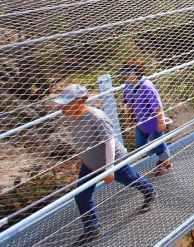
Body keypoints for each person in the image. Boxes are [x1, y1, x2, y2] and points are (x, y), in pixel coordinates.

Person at [57, 84, 156, 246]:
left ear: (78, 102)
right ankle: (92, 228)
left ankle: (150, 191)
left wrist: (110, 169)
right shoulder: (73, 119)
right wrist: (83, 159)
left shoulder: (97, 117)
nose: (61, 107)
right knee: (81, 195)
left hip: (114, 161)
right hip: (90, 163)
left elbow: (109, 142)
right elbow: (83, 142)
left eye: (65, 103)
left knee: (130, 179)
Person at [119, 60, 172, 176]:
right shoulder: (127, 85)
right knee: (140, 146)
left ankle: (165, 162)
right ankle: (162, 155)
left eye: (129, 73)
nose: (126, 76)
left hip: (153, 121)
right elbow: (127, 102)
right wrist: (127, 117)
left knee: (160, 144)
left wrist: (161, 121)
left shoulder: (147, 86)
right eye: (125, 73)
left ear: (137, 73)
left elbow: (157, 106)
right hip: (140, 121)